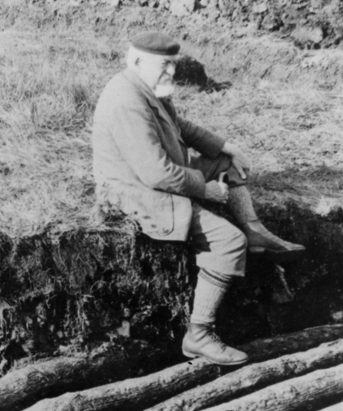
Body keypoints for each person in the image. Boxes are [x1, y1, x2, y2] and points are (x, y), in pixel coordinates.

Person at [92, 31, 304, 366]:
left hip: (158, 177)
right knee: (228, 242)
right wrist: (205, 190)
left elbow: (180, 127)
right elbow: (156, 174)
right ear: (136, 60)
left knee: (226, 163)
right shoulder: (126, 102)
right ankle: (199, 335)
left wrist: (224, 146)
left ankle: (256, 232)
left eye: (173, 65)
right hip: (138, 191)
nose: (172, 72)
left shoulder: (145, 88)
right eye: (165, 65)